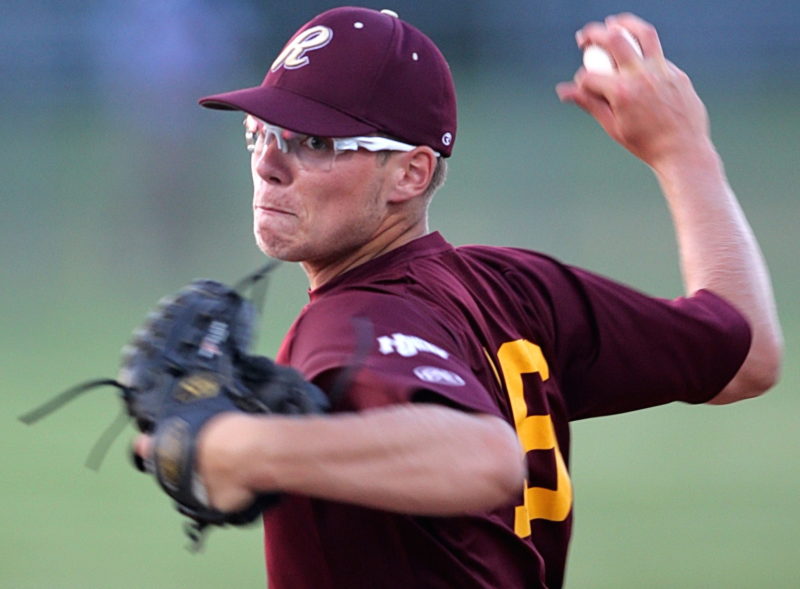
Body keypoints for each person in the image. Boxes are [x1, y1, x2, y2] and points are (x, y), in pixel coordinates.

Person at [137, 7, 782, 588]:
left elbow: (482, 457)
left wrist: (235, 446)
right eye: (260, 132)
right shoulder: (514, 289)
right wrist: (682, 152)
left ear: (411, 173)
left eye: (316, 143)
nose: (269, 164)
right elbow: (745, 352)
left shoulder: (350, 322)